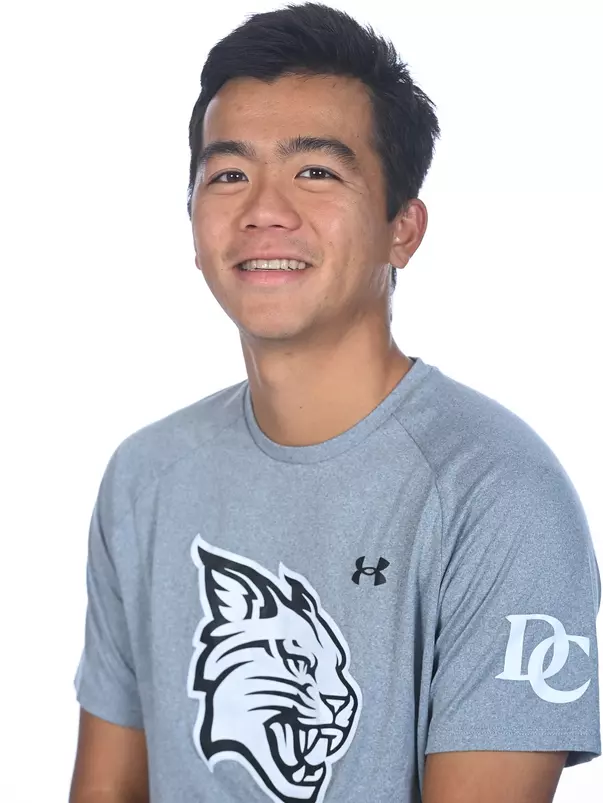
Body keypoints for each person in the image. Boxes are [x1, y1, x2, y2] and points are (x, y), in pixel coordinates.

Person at [69, 3, 601, 802]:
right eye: (228, 173)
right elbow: (105, 789)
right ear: (192, 222)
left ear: (403, 228)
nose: (264, 209)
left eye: (315, 171)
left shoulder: (498, 495)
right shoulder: (145, 477)